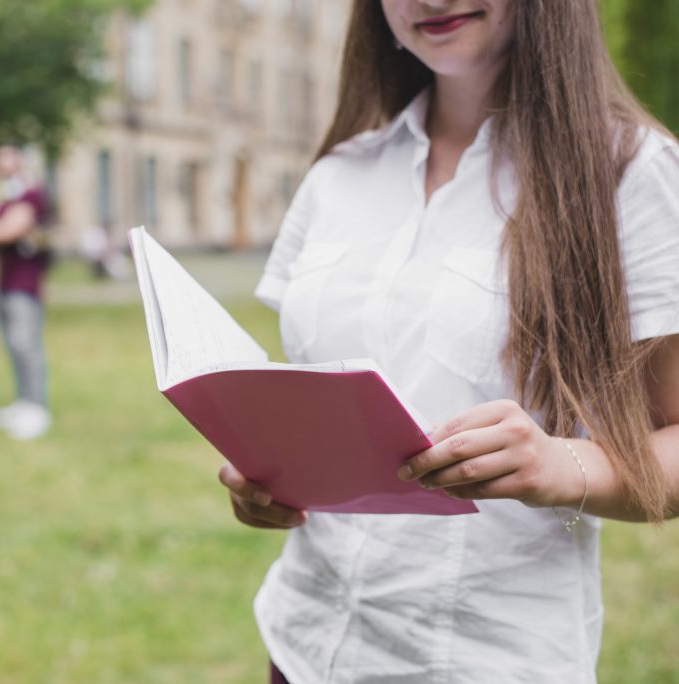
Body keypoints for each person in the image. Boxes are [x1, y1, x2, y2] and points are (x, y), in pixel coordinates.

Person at [216, 2, 679, 682]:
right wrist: (268, 473)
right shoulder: (340, 172)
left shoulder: (633, 173)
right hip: (304, 644)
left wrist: (560, 465)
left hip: (482, 660)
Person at [0, 145, 53, 440]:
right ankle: (23, 402)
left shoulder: (30, 193)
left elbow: (7, 230)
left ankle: (37, 407)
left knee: (27, 345)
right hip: (4, 282)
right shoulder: (5, 196)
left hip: (26, 283)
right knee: (13, 346)